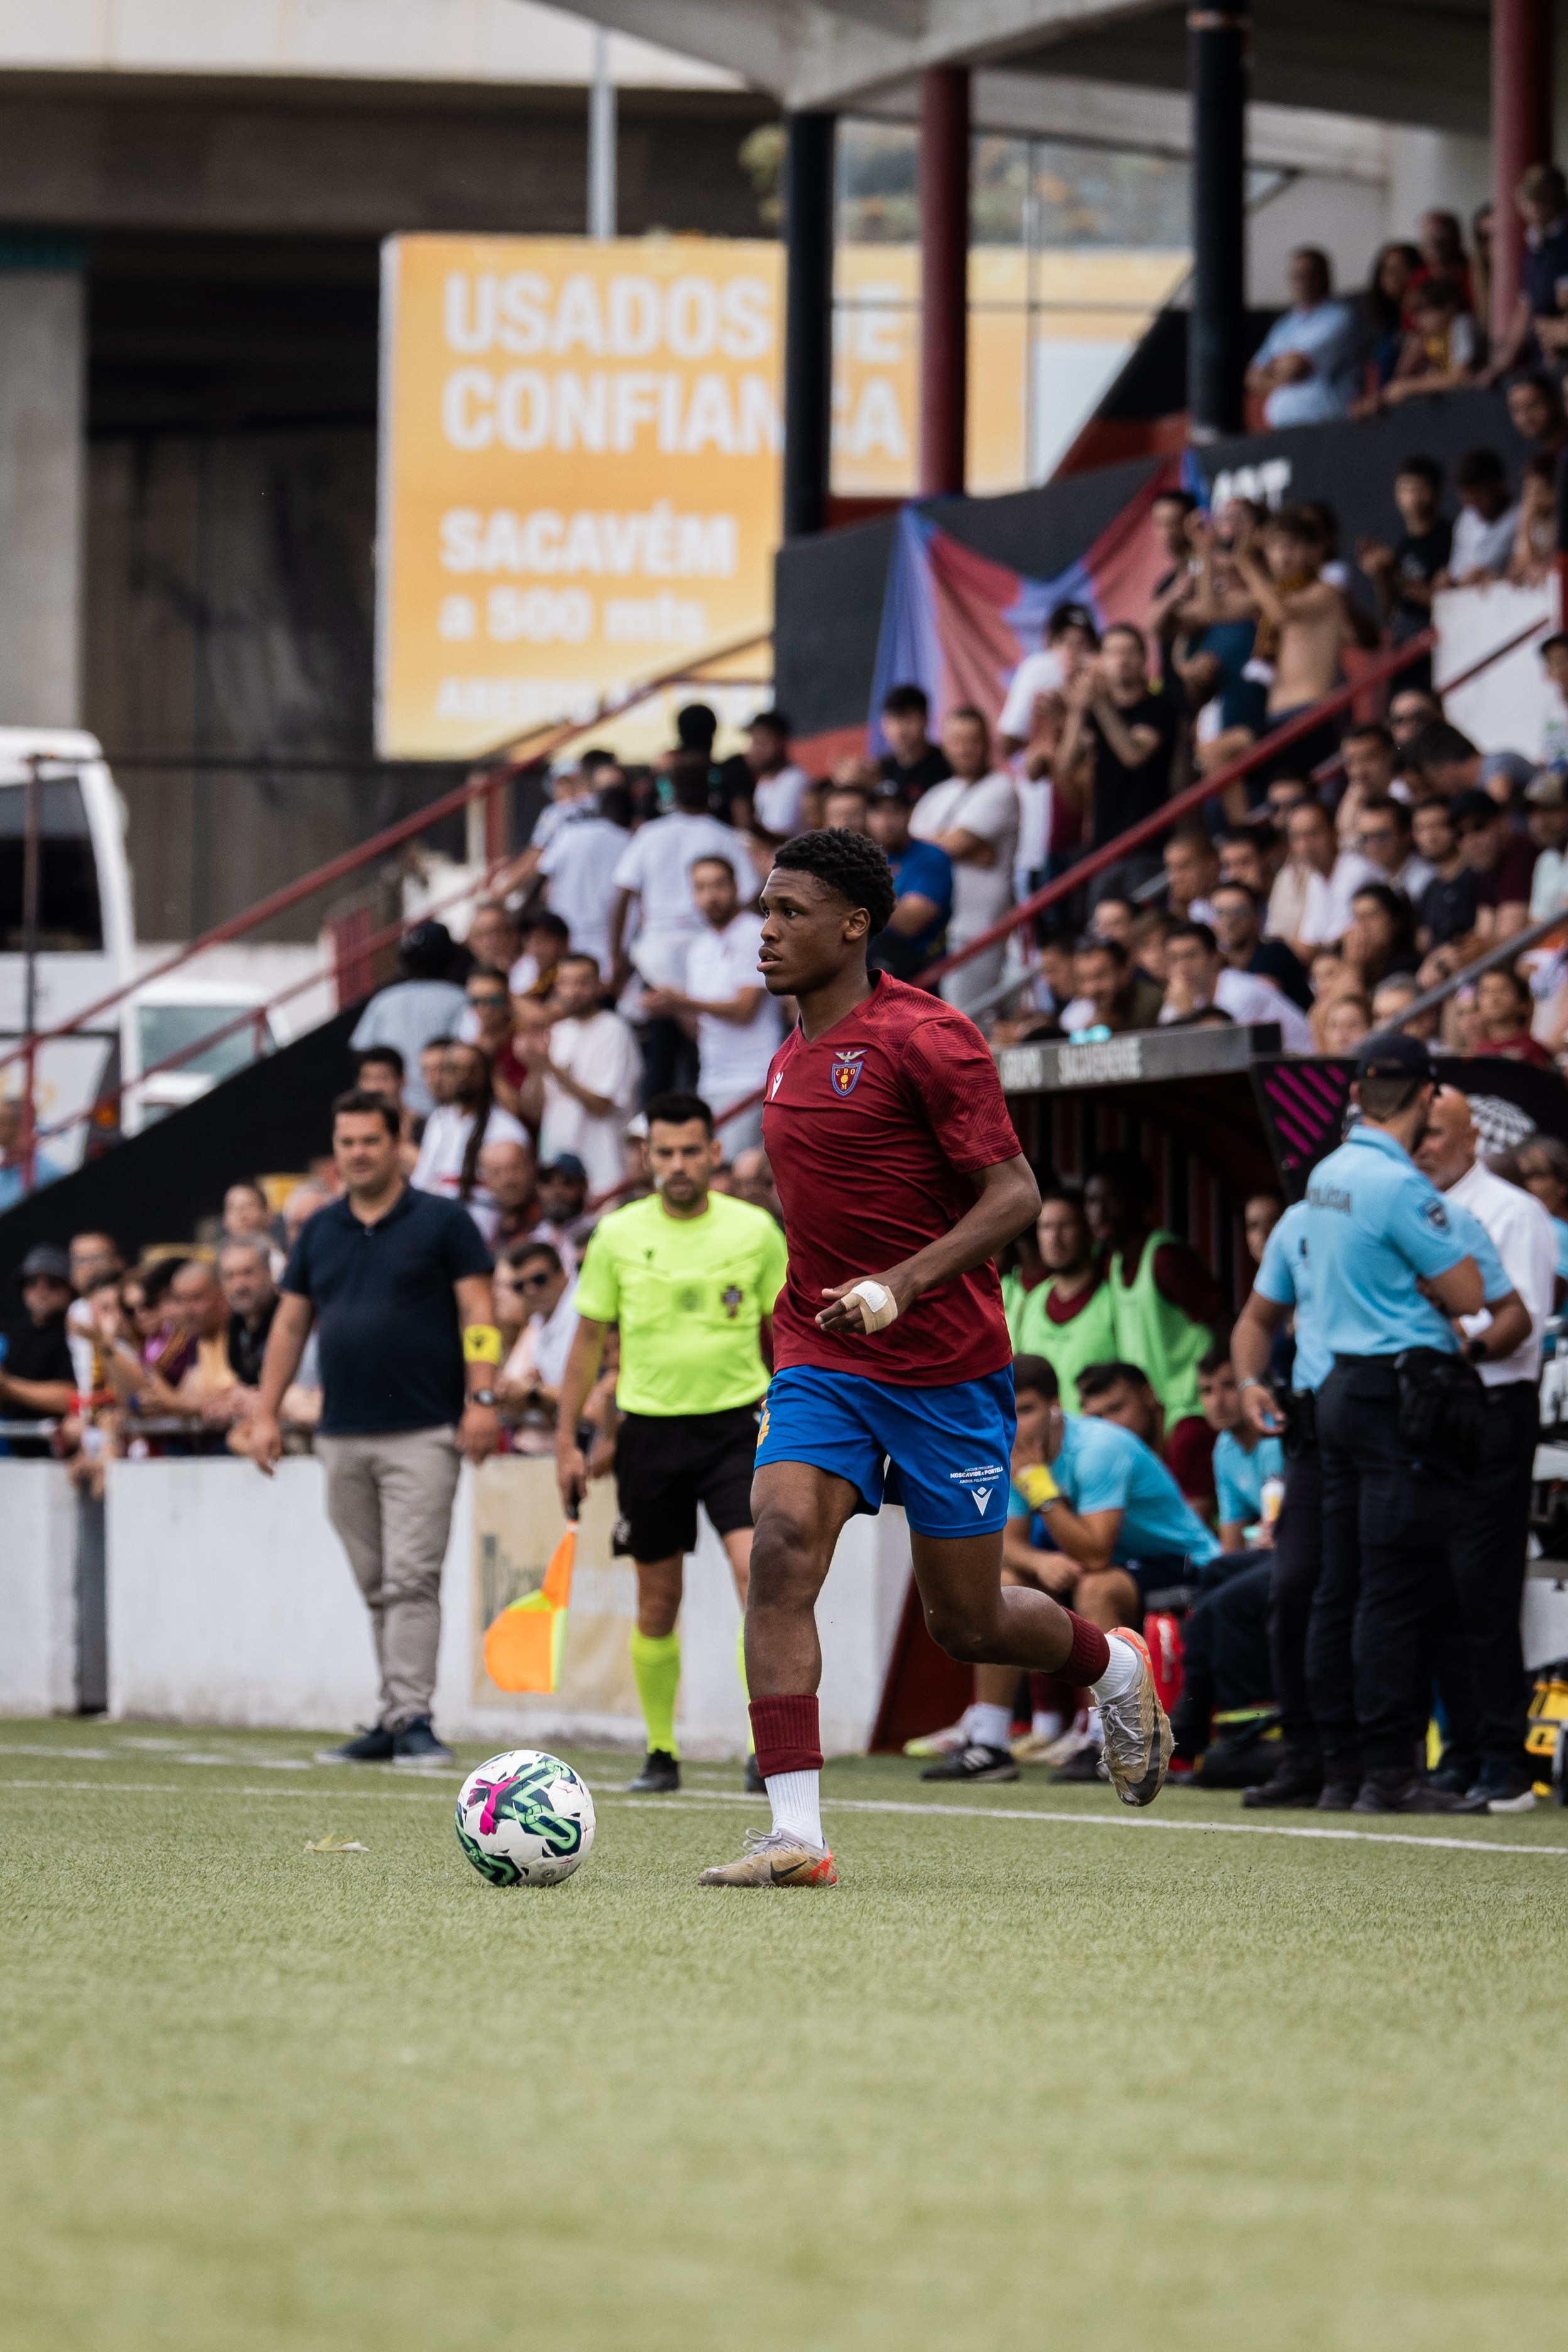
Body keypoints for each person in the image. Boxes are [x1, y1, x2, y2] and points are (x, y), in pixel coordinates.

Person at [696, 828, 1170, 1886]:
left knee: (967, 1621)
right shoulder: (784, 1052)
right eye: (762, 911)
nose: (765, 931)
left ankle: (1115, 1661)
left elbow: (1015, 1197)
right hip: (822, 1351)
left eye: (788, 912)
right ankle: (795, 1831)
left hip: (946, 1364)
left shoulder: (929, 1035)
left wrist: (903, 1281)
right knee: (777, 1546)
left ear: (856, 924)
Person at [1290, 1032, 1506, 1814]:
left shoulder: (1328, 1173)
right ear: (1423, 1099)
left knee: (1340, 1588)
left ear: (1356, 1097)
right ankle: (1390, 1772)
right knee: (1395, 1588)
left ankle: (1344, 1767)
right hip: (1394, 1396)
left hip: (1341, 1385)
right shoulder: (1398, 1186)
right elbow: (1472, 1289)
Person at [251, 1090, 499, 1769]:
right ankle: (393, 1718)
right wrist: (264, 1412)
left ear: (398, 1144)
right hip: (342, 1431)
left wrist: (482, 1395)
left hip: (423, 1428)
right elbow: (290, 1324)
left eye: (370, 1140)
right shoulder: (320, 1230)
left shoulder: (445, 1222)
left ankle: (413, 1716)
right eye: (346, 1142)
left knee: (412, 1577)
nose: (358, 1153)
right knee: (375, 1580)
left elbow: (479, 1309)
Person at [555, 1092, 788, 1796]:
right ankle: (661, 1751)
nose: (679, 1165)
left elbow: (785, 1337)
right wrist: (569, 1439)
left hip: (736, 1427)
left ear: (715, 1154)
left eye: (692, 1151)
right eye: (665, 1154)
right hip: (648, 1433)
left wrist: (796, 1412)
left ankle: (762, 1747)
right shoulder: (617, 1234)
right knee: (658, 1603)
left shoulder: (756, 1231)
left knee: (760, 1578)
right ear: (646, 1159)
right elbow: (588, 1342)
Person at [934, 1354, 1219, 1788]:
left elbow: (1096, 1553)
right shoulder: (1013, 1451)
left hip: (1187, 1567)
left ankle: (1105, 1742)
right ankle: (989, 1743)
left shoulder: (1098, 1448)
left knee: (1096, 1587)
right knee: (1004, 1587)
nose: (1016, 1424)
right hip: (1119, 1564)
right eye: (1006, 1412)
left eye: (1026, 1410)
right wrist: (1039, 1561)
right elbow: (1009, 1547)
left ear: (1054, 1406)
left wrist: (1036, 1483)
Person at [1415, 1086, 1555, 1811]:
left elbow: (1521, 1324)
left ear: (1472, 1137)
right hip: (1440, 1409)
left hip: (1493, 1405)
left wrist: (1449, 1345)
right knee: (1439, 1586)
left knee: (1482, 1588)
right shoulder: (1414, 1207)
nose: (1425, 1144)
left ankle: (1506, 1761)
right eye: (1419, 1132)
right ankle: (1463, 1752)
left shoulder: (1512, 1211)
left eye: (1436, 1132)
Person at [609, 761, 754, 1095]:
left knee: (659, 1058)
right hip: (706, 950)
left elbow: (621, 897)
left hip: (657, 957)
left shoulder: (650, 833)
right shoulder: (723, 835)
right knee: (695, 1053)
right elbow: (747, 897)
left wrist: (616, 957)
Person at [641, 856, 780, 1159]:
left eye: (718, 885)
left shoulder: (754, 933)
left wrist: (682, 1001)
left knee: (730, 1170)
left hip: (753, 1079)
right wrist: (670, 1007)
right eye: (701, 888)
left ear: (736, 887)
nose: (711, 896)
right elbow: (699, 1027)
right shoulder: (699, 948)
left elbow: (745, 1010)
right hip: (711, 1079)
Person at [1082, 1152, 1226, 1440]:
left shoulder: (1166, 1258)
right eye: (1091, 1202)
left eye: (1111, 1200)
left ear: (1139, 1203)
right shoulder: (1113, 1263)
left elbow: (1223, 1323)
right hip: (1152, 1419)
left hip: (1190, 1414)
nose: (1099, 1212)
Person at [905, 707, 1018, 1018]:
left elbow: (943, 848)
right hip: (930, 934)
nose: (966, 748)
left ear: (987, 744)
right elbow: (912, 851)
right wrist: (964, 848)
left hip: (979, 931)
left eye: (974, 741)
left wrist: (946, 845)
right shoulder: (935, 795)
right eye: (958, 741)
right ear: (945, 744)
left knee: (969, 1026)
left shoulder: (1001, 787)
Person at [1054, 622, 1177, 903]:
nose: (1121, 660)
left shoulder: (1158, 706)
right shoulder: (1095, 710)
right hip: (1104, 847)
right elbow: (1064, 766)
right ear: (1102, 661)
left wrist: (1099, 704)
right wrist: (1077, 709)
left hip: (1149, 844)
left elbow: (1133, 755)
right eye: (1112, 653)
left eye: (1130, 652)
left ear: (1145, 659)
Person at [530, 951, 644, 1195]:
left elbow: (602, 1105)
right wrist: (536, 1067)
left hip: (605, 1171)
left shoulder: (615, 1030)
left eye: (582, 982)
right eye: (566, 983)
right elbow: (533, 1109)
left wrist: (551, 1068)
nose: (573, 991)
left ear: (599, 985)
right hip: (560, 1176)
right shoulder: (557, 1033)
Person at [348, 921, 467, 1116]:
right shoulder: (459, 998)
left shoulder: (384, 999)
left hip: (398, 1111)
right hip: (436, 1109)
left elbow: (361, 1052)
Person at [1009, 1187, 1117, 1399]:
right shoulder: (1031, 1303)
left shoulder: (1113, 1300)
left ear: (1089, 1231)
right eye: (1046, 1227)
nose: (1054, 1238)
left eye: (1066, 1226)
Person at [1075, 1356, 1216, 1515]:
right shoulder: (1104, 1450)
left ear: (1148, 1396)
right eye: (1097, 1417)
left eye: (1116, 1409)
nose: (1109, 1425)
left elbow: (1186, 1526)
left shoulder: (1189, 1435)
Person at [411, 1038, 530, 1215]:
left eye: (471, 1069)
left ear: (486, 1074)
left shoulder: (506, 1128)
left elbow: (515, 1195)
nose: (463, 1076)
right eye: (454, 1069)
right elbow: (421, 1180)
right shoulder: (438, 1119)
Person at [1157, 920, 1315, 1050]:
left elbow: (1221, 1054)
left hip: (1302, 1068)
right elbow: (1165, 1049)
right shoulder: (1183, 995)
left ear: (1215, 958)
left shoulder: (1240, 994)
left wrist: (1187, 1014)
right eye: (1173, 958)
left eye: (1191, 956)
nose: (1182, 966)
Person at [1244, 246, 1358, 425]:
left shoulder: (1338, 316)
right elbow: (1253, 377)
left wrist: (1273, 366)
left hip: (1332, 423)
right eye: (1296, 276)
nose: (1301, 282)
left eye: (1307, 275)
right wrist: (1285, 372)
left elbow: (1296, 367)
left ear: (1323, 277)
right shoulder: (1284, 325)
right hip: (1288, 429)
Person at [1483, 161, 1568, 379]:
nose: (1534, 207)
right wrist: (1503, 361)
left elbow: (1564, 301)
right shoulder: (1536, 244)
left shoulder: (1562, 240)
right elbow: (1527, 304)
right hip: (1546, 355)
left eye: (1541, 199)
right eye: (1529, 200)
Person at [1356, 457, 1452, 648]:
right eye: (1405, 489)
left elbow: (1447, 602)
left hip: (1440, 645)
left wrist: (1397, 576)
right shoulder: (1403, 546)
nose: (1412, 497)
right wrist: (1381, 576)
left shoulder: (1450, 538)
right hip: (1406, 647)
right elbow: (1388, 614)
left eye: (1419, 489)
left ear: (1437, 492)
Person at [1266, 801, 1378, 961]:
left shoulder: (1358, 872)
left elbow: (1335, 942)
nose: (1305, 846)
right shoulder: (1315, 878)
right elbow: (1308, 938)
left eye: (1313, 834)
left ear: (1334, 832)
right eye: (1297, 837)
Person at [1198, 1342, 1283, 1551]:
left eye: (1229, 1386)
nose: (1217, 1402)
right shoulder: (1223, 1450)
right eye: (1207, 1391)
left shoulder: (1279, 1434)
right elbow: (1231, 1545)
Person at [496, 1239, 580, 1450]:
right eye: (519, 1286)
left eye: (539, 1279)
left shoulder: (581, 1310)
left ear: (563, 1274)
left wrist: (534, 1392)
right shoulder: (539, 1321)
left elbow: (591, 1397)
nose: (530, 1291)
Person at [864, 787, 953, 983]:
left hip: (919, 972)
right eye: (878, 812)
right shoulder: (868, 857)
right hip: (869, 969)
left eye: (894, 811)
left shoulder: (932, 856)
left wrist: (860, 887)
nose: (886, 822)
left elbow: (910, 923)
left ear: (909, 814)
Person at [0, 1244, 77, 1454]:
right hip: (16, 1454)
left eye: (52, 1283)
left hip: (65, 1456)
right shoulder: (17, 1333)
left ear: (69, 1289)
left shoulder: (76, 1329)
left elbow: (73, 1399)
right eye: (32, 1282)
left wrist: (8, 1387)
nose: (41, 1290)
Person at [1208, 879, 1312, 1010]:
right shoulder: (1219, 963)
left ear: (1257, 917)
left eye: (1240, 911)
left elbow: (1254, 1004)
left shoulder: (1274, 953)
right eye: (1220, 913)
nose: (1230, 920)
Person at [1451, 788, 1536, 944]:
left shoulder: (1522, 854)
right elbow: (1483, 934)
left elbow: (1509, 940)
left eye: (1479, 827)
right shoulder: (1487, 870)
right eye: (1460, 835)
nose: (1471, 841)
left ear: (1504, 822)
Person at [1439, 450, 1520, 585]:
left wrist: (1495, 577)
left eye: (1479, 497)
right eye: (1468, 499)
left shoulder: (1521, 517)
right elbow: (1456, 573)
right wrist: (1450, 581)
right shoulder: (1467, 518)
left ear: (1499, 485)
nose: (1474, 505)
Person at [743, 710, 810, 844]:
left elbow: (782, 837)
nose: (754, 749)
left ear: (781, 742)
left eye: (761, 742)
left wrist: (748, 824)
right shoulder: (764, 781)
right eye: (753, 742)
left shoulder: (795, 781)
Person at [1470, 964, 1554, 1066]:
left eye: (1502, 990)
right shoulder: (1478, 1052)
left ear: (1523, 1004)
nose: (1493, 998)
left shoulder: (1532, 1050)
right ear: (1478, 1008)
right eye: (1486, 991)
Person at [1526, 770, 1568, 920]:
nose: (1540, 822)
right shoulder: (1546, 860)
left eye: (1550, 809)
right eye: (1533, 812)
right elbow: (1536, 925)